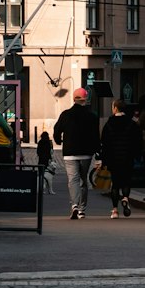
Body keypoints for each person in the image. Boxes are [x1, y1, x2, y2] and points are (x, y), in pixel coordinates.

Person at [53, 88, 101, 220]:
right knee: (83, 180)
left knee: (72, 180)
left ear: (74, 99)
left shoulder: (66, 114)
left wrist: (58, 140)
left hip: (70, 152)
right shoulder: (92, 116)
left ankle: (74, 205)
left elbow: (57, 130)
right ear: (85, 100)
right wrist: (98, 152)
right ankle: (81, 210)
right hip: (86, 153)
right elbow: (96, 136)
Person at [99, 99, 143, 219]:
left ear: (115, 108)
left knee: (115, 184)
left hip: (113, 158)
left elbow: (104, 142)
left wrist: (104, 159)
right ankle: (125, 198)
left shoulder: (109, 124)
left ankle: (114, 210)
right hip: (127, 157)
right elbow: (138, 141)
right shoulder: (131, 123)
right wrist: (136, 155)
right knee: (126, 181)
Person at [36, 130, 55, 194]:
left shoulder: (40, 142)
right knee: (48, 176)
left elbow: (38, 152)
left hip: (41, 160)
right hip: (47, 160)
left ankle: (42, 188)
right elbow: (51, 151)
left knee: (41, 175)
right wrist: (50, 158)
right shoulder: (49, 142)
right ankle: (49, 189)